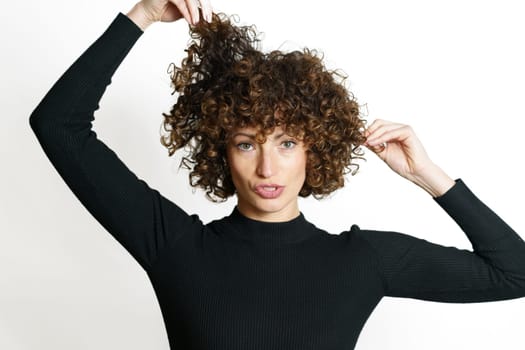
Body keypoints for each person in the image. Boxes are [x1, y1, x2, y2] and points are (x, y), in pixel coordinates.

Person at [29, 0, 525, 349]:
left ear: (314, 148)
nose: (267, 167)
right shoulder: (173, 245)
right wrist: (141, 15)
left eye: (286, 142)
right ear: (222, 151)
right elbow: (57, 125)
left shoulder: (365, 260)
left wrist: (429, 176)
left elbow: (515, 273)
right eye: (247, 143)